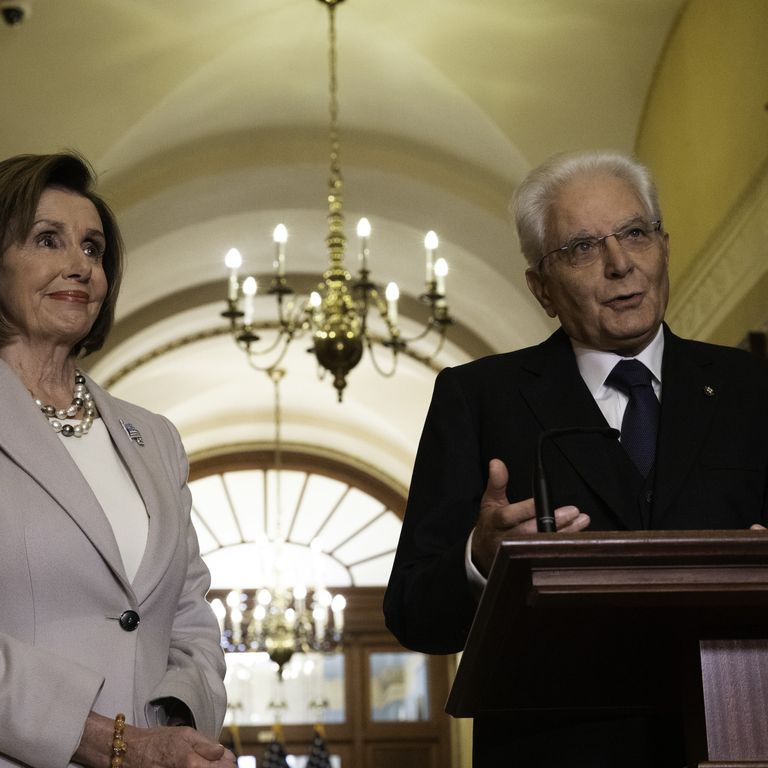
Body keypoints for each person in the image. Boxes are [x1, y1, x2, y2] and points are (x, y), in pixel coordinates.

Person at [383, 150, 768, 767]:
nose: (621, 264)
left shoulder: (750, 388)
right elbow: (412, 613)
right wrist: (479, 560)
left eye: (636, 233)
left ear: (663, 246)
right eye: (584, 247)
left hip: (732, 734)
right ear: (541, 288)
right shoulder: (479, 397)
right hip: (554, 747)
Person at [0, 152, 235, 768]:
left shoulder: (154, 436)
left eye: (94, 249)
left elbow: (190, 616)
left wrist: (176, 723)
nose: (80, 265)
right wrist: (112, 741)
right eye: (48, 240)